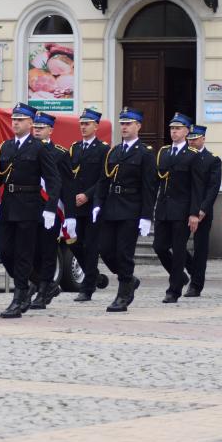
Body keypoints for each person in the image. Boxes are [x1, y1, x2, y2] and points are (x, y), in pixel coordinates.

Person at [0, 103, 60, 318]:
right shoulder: (6, 147)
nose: (15, 122)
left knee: (23, 253)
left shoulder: (39, 147)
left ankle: (19, 295)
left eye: (20, 119)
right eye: (14, 119)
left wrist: (50, 208)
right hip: (9, 205)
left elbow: (53, 179)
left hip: (30, 206)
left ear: (30, 123)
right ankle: (34, 283)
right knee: (4, 250)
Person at [94, 107, 156, 312]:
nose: (124, 127)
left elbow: (149, 187)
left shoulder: (145, 153)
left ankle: (123, 293)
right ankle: (129, 279)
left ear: (138, 126)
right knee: (105, 249)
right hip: (111, 206)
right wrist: (97, 204)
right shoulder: (114, 151)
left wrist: (146, 216)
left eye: (129, 123)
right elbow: (103, 180)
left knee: (124, 252)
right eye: (122, 123)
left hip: (131, 208)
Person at [152, 112, 204, 304]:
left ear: (187, 131)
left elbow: (197, 187)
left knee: (179, 249)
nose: (174, 132)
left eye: (178, 129)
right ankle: (181, 276)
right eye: (172, 128)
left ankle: (173, 289)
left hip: (182, 210)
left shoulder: (192, 155)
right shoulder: (163, 152)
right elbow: (157, 180)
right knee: (159, 247)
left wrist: (193, 213)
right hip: (163, 208)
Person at [28, 111, 74, 309]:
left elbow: (67, 187)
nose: (37, 131)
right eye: (35, 127)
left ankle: (44, 287)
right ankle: (40, 284)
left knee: (47, 251)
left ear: (50, 130)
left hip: (51, 209)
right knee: (30, 250)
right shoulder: (26, 149)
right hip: (29, 207)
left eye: (41, 128)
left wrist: (69, 216)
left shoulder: (60, 154)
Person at [66, 108, 109, 302]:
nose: (83, 127)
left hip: (93, 205)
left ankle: (88, 286)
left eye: (87, 124)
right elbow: (70, 175)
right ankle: (94, 274)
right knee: (75, 243)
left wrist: (88, 195)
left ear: (96, 126)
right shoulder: (74, 148)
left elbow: (103, 178)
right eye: (81, 124)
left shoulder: (103, 149)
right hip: (76, 204)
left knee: (91, 246)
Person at [184, 124, 222, 297]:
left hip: (201, 211)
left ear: (203, 139)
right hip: (182, 208)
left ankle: (196, 284)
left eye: (195, 138)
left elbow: (213, 188)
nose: (191, 141)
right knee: (171, 244)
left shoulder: (212, 159)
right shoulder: (182, 157)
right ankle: (193, 270)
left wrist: (203, 209)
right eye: (189, 138)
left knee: (200, 248)